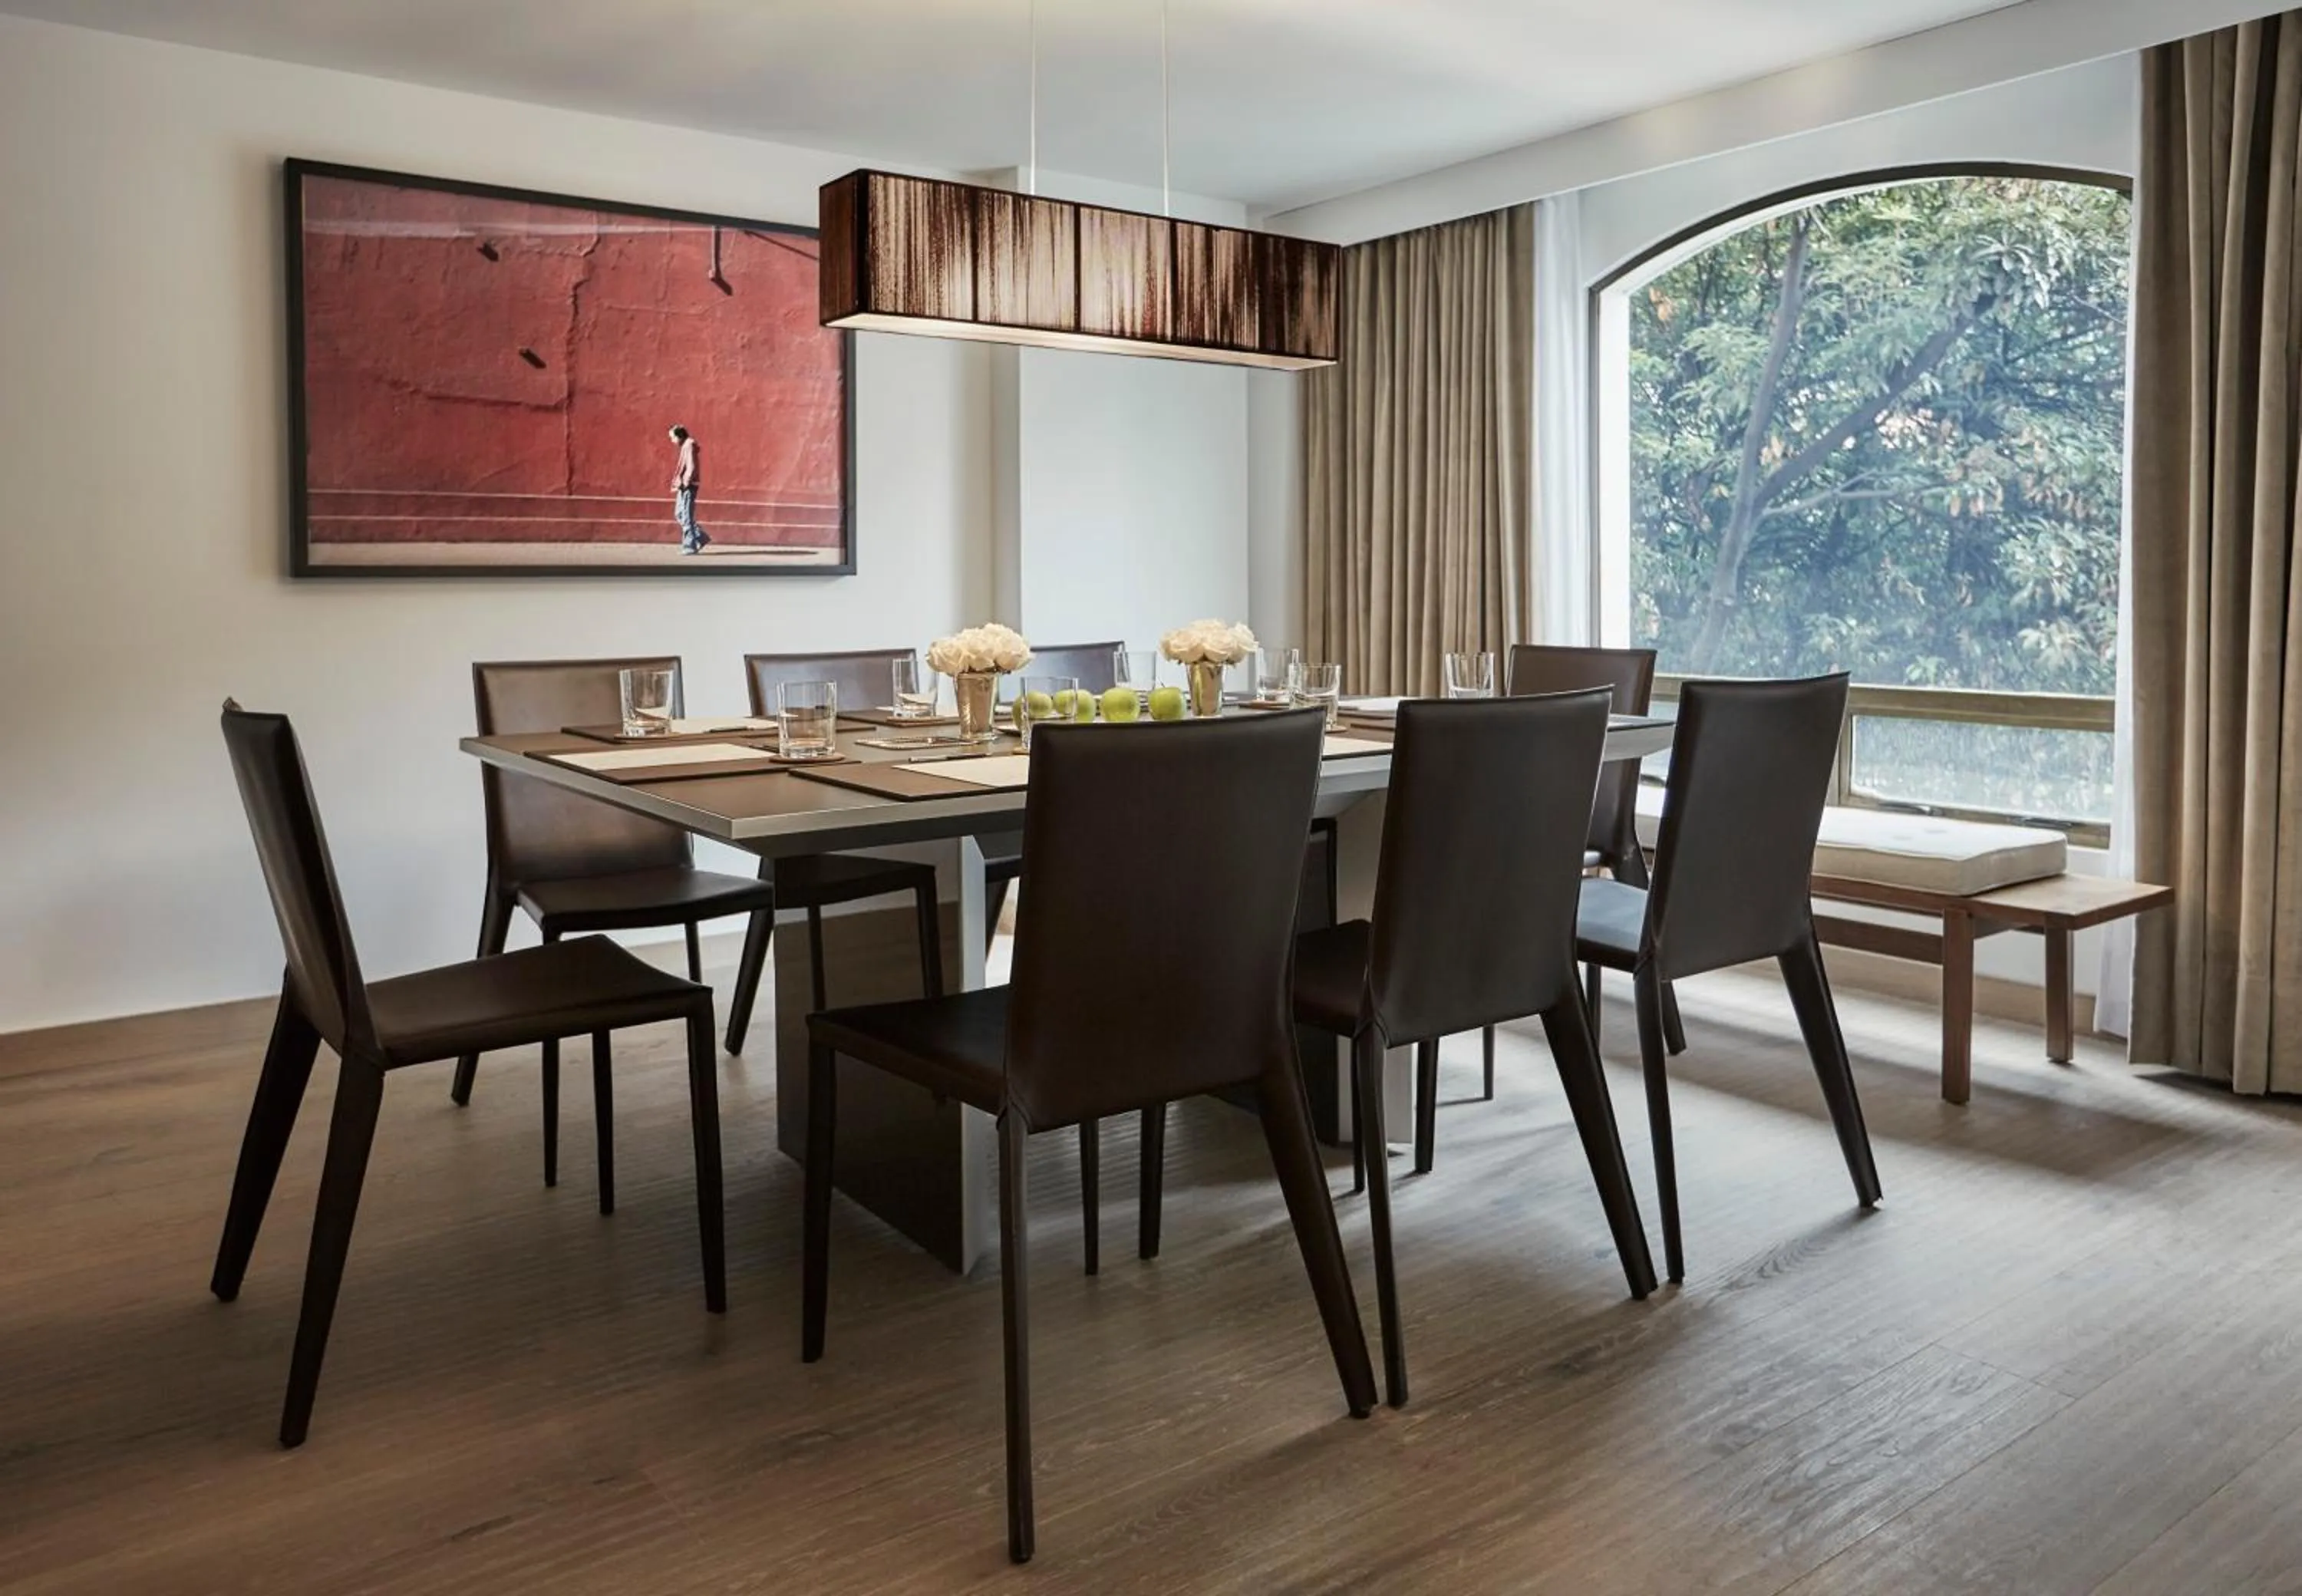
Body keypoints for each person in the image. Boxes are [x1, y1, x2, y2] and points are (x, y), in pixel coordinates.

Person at [668, 425, 710, 555]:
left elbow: (691, 465)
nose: (672, 441)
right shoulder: (686, 445)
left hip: (689, 485)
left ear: (679, 436)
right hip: (684, 485)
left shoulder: (689, 445)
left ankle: (690, 546)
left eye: (673, 437)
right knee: (679, 514)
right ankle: (701, 537)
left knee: (686, 516)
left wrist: (686, 482)